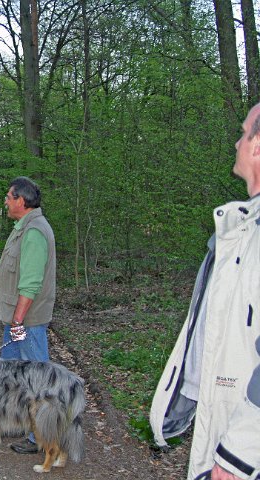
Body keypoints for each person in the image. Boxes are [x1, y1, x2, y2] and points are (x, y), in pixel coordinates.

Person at [150, 103, 260, 480]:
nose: (236, 142)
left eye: (243, 133)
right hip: (223, 421)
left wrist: (237, 456)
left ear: (258, 145)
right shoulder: (241, 229)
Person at [0, 177, 56, 455]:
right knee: (12, 375)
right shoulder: (24, 227)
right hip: (17, 320)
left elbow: (30, 283)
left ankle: (41, 436)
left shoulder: (34, 232)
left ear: (21, 200)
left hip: (27, 322)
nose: (6, 201)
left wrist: (18, 321)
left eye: (9, 197)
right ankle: (20, 424)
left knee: (36, 380)